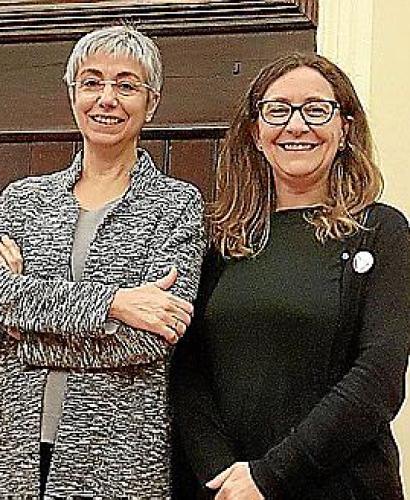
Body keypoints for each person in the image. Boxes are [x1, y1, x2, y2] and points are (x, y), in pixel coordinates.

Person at [0, 25, 205, 498]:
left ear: (151, 102)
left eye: (126, 85)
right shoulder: (23, 198)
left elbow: (150, 338)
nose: (107, 99)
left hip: (115, 456)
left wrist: (24, 328)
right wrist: (114, 304)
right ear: (72, 94)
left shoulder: (176, 204)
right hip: (1, 447)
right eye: (91, 82)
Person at [173, 52, 410, 500]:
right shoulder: (222, 241)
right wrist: (223, 477)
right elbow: (187, 373)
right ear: (256, 133)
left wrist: (269, 476)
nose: (296, 126)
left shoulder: (382, 231)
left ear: (345, 129)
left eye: (316, 109)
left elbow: (378, 378)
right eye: (277, 110)